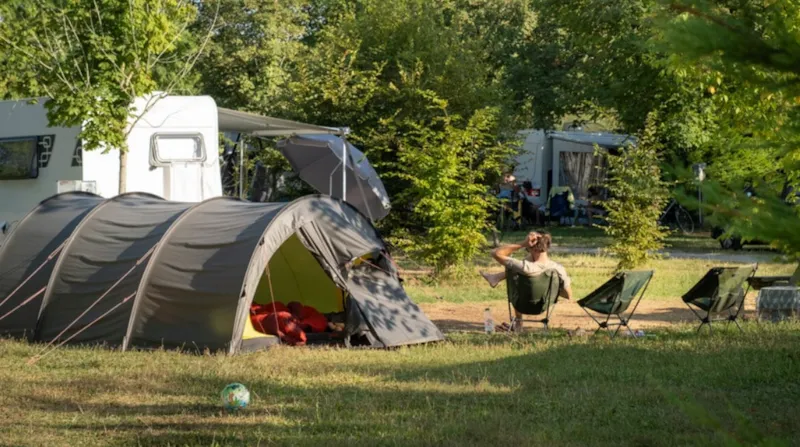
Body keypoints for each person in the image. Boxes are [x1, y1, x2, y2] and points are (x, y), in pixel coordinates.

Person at [480, 232, 573, 330]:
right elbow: (568, 295)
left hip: (521, 305)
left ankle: (518, 323)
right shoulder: (558, 269)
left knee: (515, 274)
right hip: (542, 306)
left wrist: (523, 243)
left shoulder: (524, 267)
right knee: (516, 271)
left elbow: (495, 253)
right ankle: (496, 277)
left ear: (532, 247)